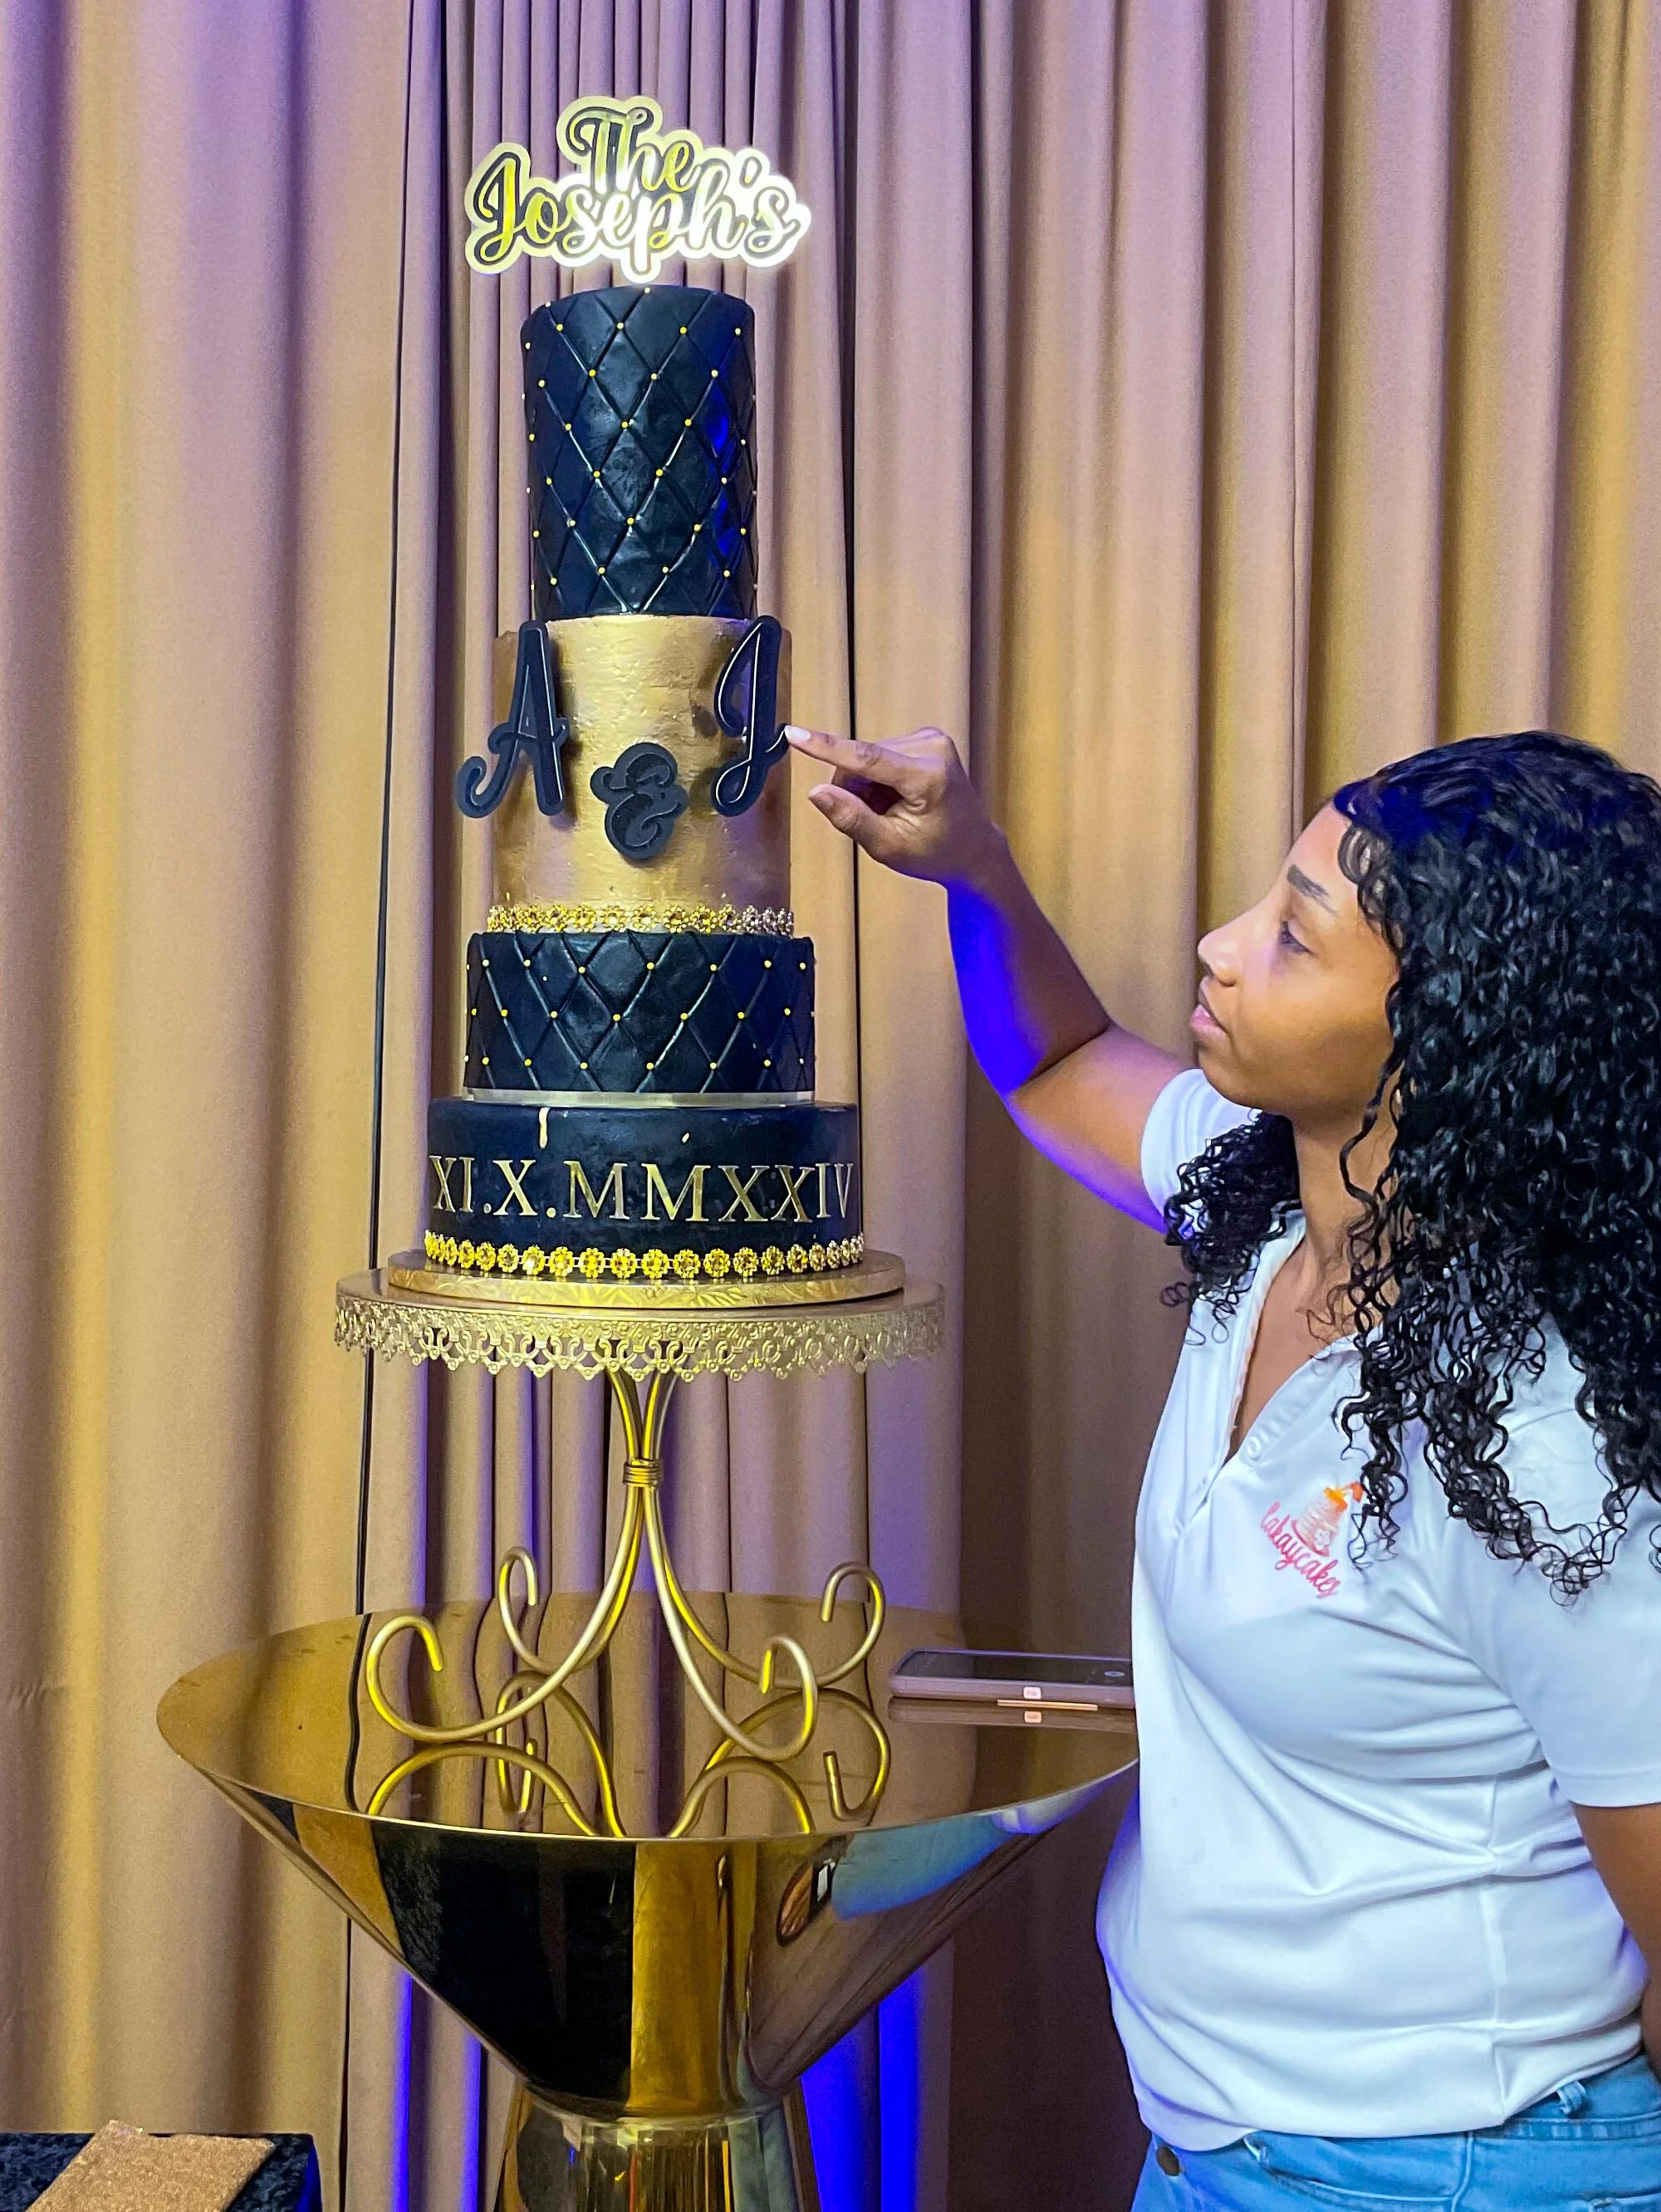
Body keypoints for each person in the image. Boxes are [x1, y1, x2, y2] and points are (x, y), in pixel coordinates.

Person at [785, 720, 1661, 2209]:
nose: (1220, 944)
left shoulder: (1545, 1450)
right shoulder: (1265, 1203)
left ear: (1448, 1034)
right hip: (1224, 2148)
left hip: (1452, 2170)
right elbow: (1060, 1065)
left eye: (1294, 936)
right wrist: (973, 870)